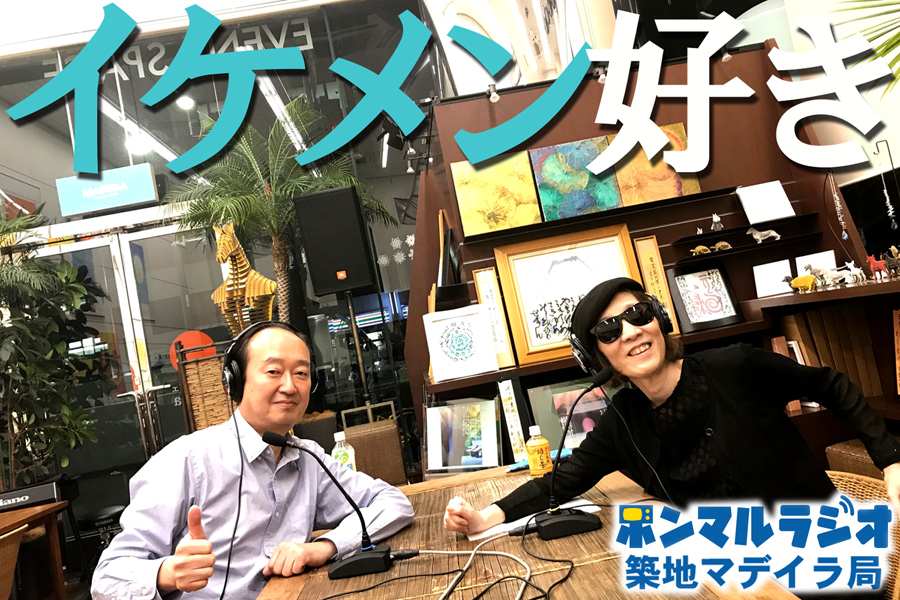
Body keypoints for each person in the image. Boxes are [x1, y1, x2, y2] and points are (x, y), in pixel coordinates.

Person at [444, 277, 900, 536]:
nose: (630, 332)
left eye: (637, 315)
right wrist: (485, 517)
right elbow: (562, 480)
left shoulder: (735, 366)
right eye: (609, 331)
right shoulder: (624, 419)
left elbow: (832, 385)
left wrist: (892, 462)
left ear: (659, 320)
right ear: (598, 358)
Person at [92, 321, 414, 599]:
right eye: (273, 371)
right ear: (235, 380)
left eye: (301, 373)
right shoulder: (187, 461)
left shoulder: (307, 457)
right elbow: (106, 580)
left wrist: (325, 546)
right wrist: (168, 573)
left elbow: (393, 503)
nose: (289, 386)